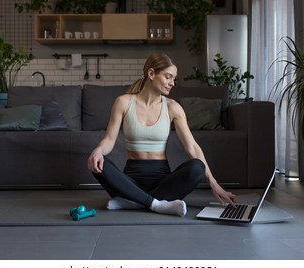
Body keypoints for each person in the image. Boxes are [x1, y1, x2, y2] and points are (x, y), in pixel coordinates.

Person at [87, 52, 236, 217]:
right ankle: (155, 204)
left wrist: (213, 183)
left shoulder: (173, 107)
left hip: (164, 183)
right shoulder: (123, 102)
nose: (172, 83)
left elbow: (192, 147)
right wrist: (99, 150)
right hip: (131, 181)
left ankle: (133, 201)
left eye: (174, 79)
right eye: (168, 77)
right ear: (151, 74)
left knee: (197, 167)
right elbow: (109, 140)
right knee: (97, 162)